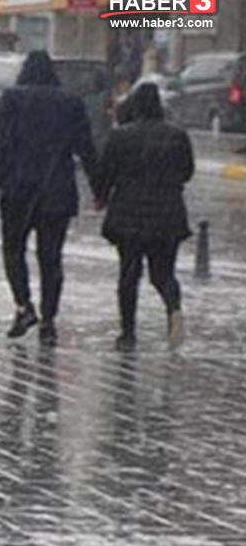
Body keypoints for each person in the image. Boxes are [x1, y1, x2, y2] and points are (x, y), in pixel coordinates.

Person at [0, 50, 98, 346]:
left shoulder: (12, 98)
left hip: (18, 190)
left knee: (13, 250)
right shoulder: (70, 102)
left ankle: (24, 306)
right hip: (57, 191)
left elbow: (2, 144)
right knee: (51, 257)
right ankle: (49, 319)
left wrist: (0, 181)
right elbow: (86, 147)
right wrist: (99, 188)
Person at [92, 83, 194, 351]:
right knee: (164, 274)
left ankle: (127, 334)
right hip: (168, 216)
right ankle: (174, 309)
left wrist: (100, 197)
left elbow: (105, 174)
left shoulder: (120, 137)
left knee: (129, 274)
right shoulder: (177, 136)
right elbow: (187, 172)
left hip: (129, 217)